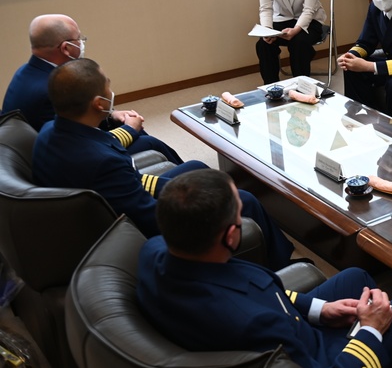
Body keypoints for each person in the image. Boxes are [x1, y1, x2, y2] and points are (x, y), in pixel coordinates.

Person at [137, 169, 392, 368]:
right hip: (318, 367)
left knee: (354, 277)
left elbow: (257, 293)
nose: (243, 215)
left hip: (285, 329)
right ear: (230, 238)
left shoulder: (154, 252)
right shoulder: (253, 323)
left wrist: (319, 310)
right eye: (240, 214)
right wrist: (370, 330)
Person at [32, 58, 294, 269]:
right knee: (244, 199)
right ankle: (279, 266)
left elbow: (102, 151)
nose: (112, 91)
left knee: (196, 168)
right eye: (108, 86)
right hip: (131, 226)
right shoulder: (103, 163)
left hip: (115, 195)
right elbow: (149, 218)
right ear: (99, 103)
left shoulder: (49, 131)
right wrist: (192, 202)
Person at [2, 13, 183, 163]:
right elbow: (80, 143)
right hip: (69, 161)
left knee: (128, 125)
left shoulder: (28, 71)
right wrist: (129, 130)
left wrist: (111, 115)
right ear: (66, 48)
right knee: (149, 142)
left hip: (59, 145)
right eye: (79, 39)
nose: (81, 43)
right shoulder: (52, 89)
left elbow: (75, 117)